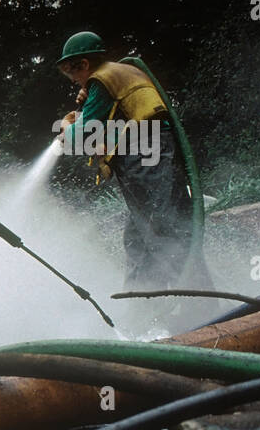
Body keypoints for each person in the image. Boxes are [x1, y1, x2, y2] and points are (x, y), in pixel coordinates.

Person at [55, 31, 207, 327]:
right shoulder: (119, 73)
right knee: (139, 237)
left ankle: (190, 308)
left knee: (159, 229)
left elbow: (88, 130)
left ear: (83, 63)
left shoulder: (102, 78)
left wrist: (66, 131)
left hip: (142, 152)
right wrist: (83, 110)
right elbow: (113, 124)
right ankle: (141, 307)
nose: (70, 78)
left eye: (70, 70)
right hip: (149, 148)